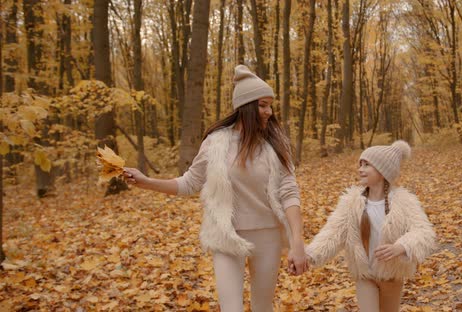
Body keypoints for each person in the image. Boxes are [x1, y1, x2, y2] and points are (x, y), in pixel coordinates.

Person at [123, 65, 307, 311]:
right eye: (263, 105)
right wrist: (146, 182)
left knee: (263, 306)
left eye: (270, 105)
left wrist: (297, 243)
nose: (269, 112)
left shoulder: (275, 143)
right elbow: (190, 182)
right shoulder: (216, 142)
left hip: (268, 235)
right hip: (225, 235)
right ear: (247, 106)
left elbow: (289, 192)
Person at [305, 141, 436, 312]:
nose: (360, 169)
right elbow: (333, 233)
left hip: (392, 276)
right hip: (365, 275)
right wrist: (310, 256)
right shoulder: (351, 202)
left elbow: (424, 232)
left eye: (367, 165)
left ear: (383, 171)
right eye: (360, 164)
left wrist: (401, 246)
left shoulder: (404, 202)